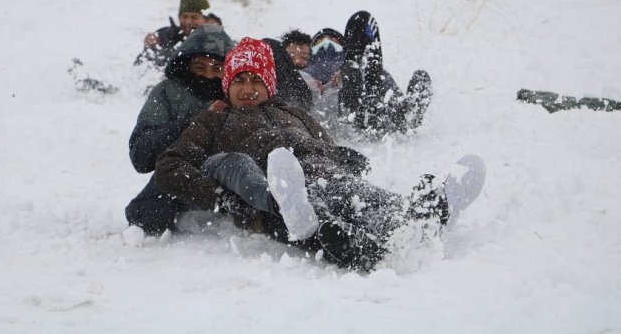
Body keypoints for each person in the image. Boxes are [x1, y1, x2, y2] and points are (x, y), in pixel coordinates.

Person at [154, 37, 485, 271]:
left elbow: (324, 145)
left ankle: (430, 214)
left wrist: (344, 155)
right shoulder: (215, 119)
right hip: (278, 190)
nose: (248, 88)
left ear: (270, 84)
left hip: (329, 175)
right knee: (326, 219)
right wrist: (221, 198)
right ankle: (356, 244)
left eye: (256, 79)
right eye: (239, 80)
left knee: (365, 197)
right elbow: (170, 166)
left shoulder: (295, 113)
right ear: (226, 84)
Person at [126, 24, 234, 234]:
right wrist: (195, 121)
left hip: (233, 176)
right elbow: (141, 153)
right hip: (177, 176)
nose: (209, 75)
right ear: (187, 65)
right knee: (147, 213)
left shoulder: (240, 90)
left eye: (217, 68)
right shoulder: (167, 92)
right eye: (200, 67)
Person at [303, 12, 433, 139]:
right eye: (319, 42)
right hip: (317, 116)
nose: (327, 44)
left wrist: (345, 73)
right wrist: (307, 80)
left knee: (361, 25)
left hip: (358, 106)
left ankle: (402, 114)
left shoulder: (355, 68)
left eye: (333, 41)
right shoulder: (305, 68)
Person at [134, 0, 210, 67]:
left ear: (206, 20)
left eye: (194, 17)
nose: (188, 22)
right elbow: (139, 66)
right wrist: (149, 48)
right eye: (184, 16)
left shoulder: (215, 41)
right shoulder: (165, 36)